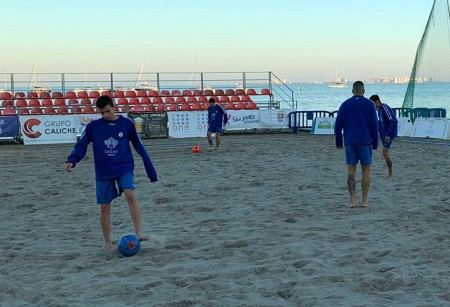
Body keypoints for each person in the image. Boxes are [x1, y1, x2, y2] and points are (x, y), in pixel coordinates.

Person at [65, 95, 158, 251]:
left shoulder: (126, 124)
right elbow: (81, 145)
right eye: (102, 113)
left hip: (124, 166)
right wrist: (72, 160)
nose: (105, 115)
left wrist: (150, 170)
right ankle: (107, 242)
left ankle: (139, 232)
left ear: (113, 107)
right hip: (103, 170)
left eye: (107, 111)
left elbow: (139, 146)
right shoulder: (93, 127)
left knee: (130, 193)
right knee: (104, 207)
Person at [334, 81, 378, 208]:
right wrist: (375, 142)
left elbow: (338, 126)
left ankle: (353, 201)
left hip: (350, 142)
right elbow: (374, 125)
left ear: (352, 91)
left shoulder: (345, 104)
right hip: (364, 142)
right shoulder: (370, 105)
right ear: (364, 91)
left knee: (351, 172)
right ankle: (364, 201)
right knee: (366, 170)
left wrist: (339, 142)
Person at [369, 94, 398, 178]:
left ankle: (390, 173)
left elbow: (394, 121)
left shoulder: (385, 108)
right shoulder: (379, 110)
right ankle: (390, 173)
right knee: (384, 153)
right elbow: (380, 122)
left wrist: (389, 134)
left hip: (388, 134)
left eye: (373, 103)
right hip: (383, 133)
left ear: (377, 101)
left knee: (385, 152)